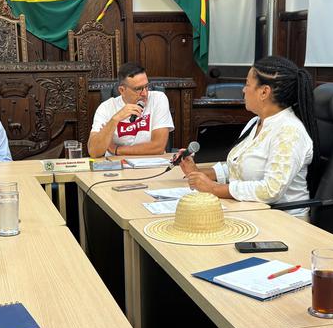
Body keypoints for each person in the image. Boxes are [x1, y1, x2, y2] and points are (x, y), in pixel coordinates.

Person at [176, 55, 319, 218]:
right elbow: (241, 166)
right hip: (251, 211)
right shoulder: (255, 122)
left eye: (247, 84)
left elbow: (271, 190)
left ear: (264, 92)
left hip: (283, 221)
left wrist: (214, 188)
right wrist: (197, 172)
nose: (243, 90)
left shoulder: (289, 132)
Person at [87, 62, 174, 158]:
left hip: (151, 162)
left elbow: (158, 147)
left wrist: (117, 150)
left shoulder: (158, 99)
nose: (145, 93)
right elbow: (94, 151)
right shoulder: (106, 107)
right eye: (138, 89)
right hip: (116, 164)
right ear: (122, 90)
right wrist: (115, 119)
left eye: (146, 86)